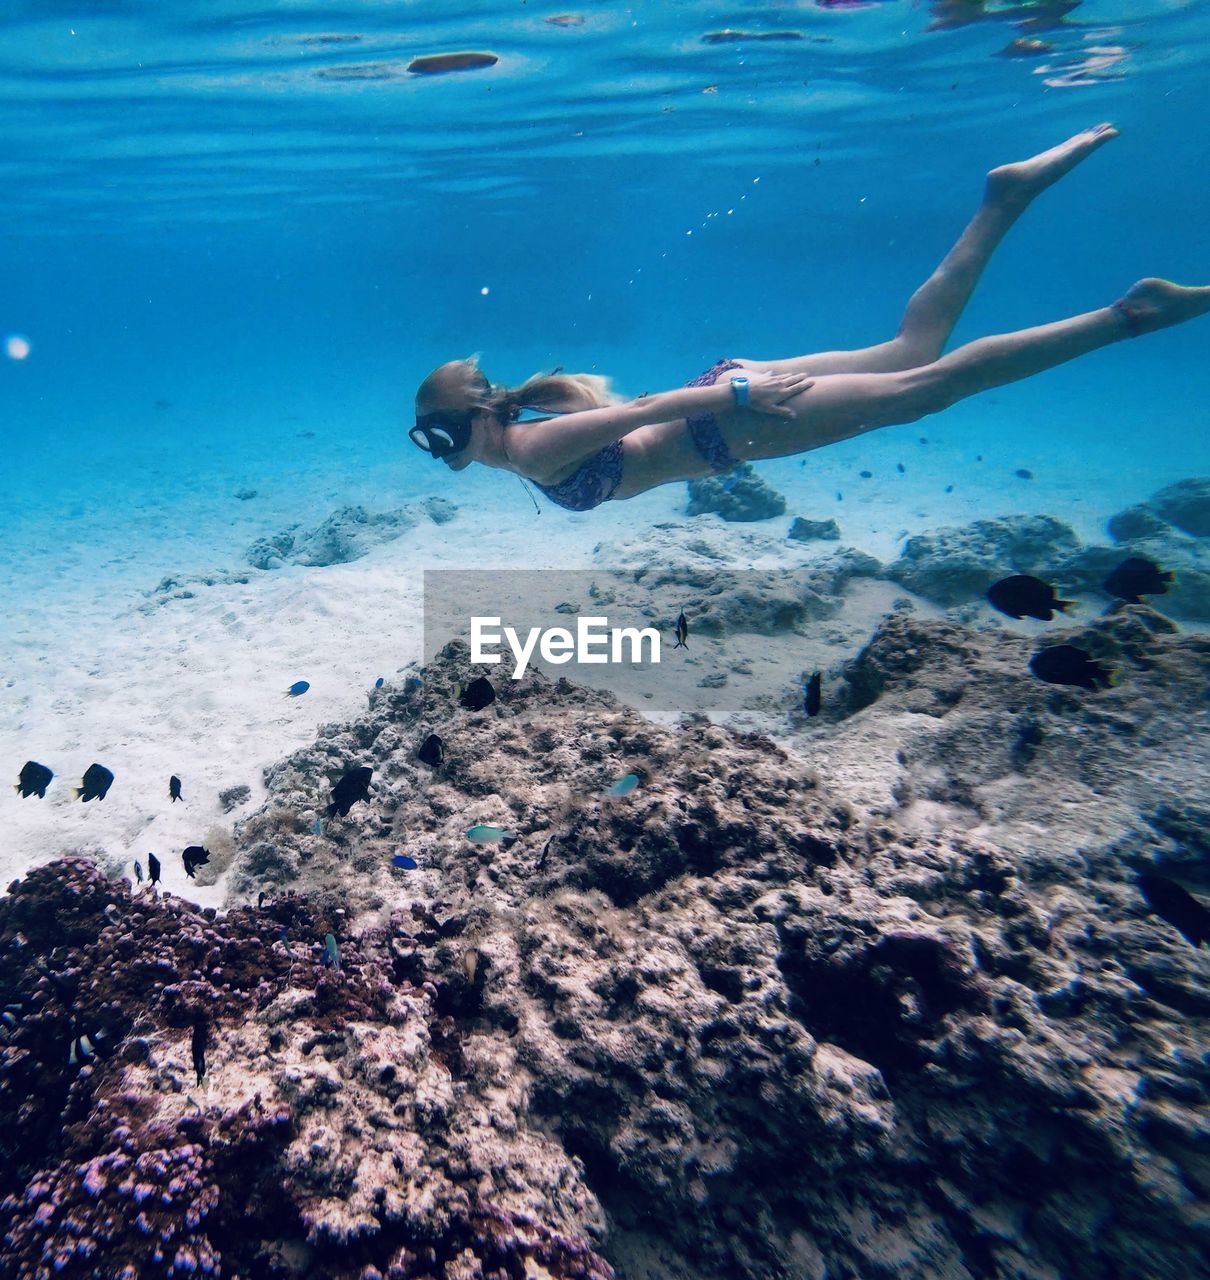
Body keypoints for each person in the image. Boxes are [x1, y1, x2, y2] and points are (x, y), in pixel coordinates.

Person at [409, 125, 1210, 512]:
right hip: (728, 399)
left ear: (475, 419)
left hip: (732, 420)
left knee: (928, 388)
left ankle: (1131, 315)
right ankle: (1004, 199)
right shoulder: (517, 444)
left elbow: (648, 411)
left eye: (441, 435)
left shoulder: (533, 443)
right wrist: (732, 390)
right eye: (430, 442)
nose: (441, 453)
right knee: (913, 348)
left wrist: (740, 400)